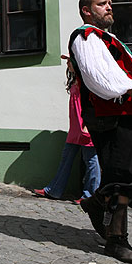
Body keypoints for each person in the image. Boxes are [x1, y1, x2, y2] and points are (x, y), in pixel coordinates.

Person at [69, 0, 132, 264]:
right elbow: (98, 75)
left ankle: (96, 203)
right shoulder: (84, 36)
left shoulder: (110, 40)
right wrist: (131, 88)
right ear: (87, 10)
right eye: (102, 4)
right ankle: (117, 240)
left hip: (131, 113)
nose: (109, 7)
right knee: (122, 177)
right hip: (110, 116)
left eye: (110, 3)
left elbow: (126, 71)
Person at [33, 57, 100, 204]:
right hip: (75, 128)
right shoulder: (75, 80)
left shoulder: (87, 81)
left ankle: (90, 196)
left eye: (69, 60)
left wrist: (89, 125)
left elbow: (94, 103)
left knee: (91, 161)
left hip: (86, 126)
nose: (67, 63)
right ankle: (54, 190)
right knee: (67, 157)